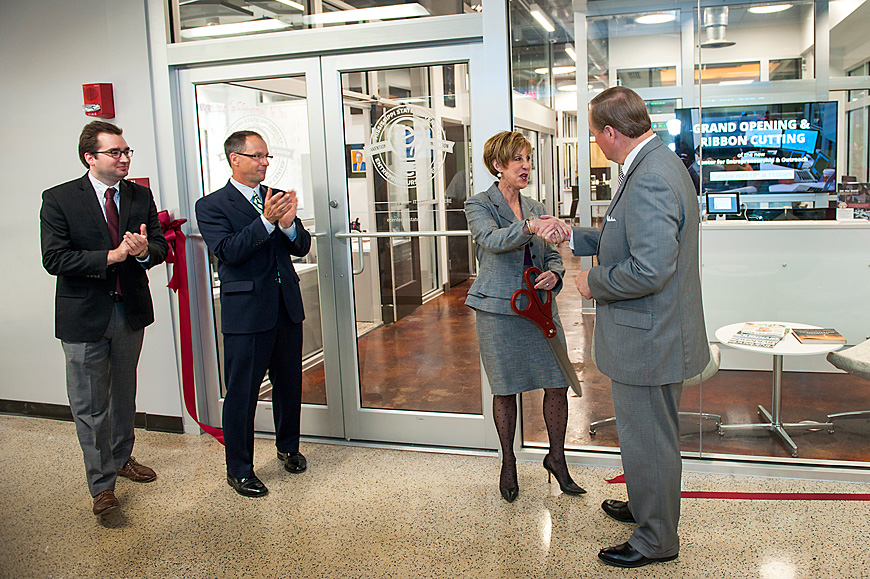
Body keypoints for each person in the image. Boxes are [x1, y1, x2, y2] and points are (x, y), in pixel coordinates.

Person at [561, 87, 709, 568]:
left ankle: (656, 539)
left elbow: (650, 269)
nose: (595, 146)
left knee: (650, 440)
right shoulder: (658, 163)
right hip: (657, 334)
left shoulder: (649, 178)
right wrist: (574, 234)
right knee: (645, 436)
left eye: (593, 137)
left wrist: (591, 282)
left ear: (610, 132)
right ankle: (648, 507)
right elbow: (626, 234)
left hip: (651, 339)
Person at [40, 121, 168, 517]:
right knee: (89, 404)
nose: (125, 158)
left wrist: (145, 251)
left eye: (127, 151)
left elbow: (160, 248)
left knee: (123, 395)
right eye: (116, 152)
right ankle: (101, 485)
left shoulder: (139, 195)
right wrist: (110, 257)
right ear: (90, 157)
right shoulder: (60, 199)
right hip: (84, 316)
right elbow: (54, 259)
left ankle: (121, 458)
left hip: (128, 312)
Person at [464, 131, 586, 503]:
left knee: (556, 382)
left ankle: (557, 459)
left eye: (528, 159)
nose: (526, 166)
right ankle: (508, 463)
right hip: (499, 309)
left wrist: (556, 273)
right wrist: (531, 227)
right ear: (498, 165)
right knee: (506, 388)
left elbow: (550, 254)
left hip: (540, 305)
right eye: (518, 159)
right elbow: (493, 240)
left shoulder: (534, 205)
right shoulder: (478, 204)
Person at [195, 130, 312, 498]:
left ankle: (287, 447)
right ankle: (239, 469)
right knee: (243, 393)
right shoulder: (212, 205)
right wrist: (265, 222)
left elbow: (301, 247)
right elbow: (229, 252)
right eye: (258, 156)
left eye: (267, 157)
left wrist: (289, 223)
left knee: (289, 384)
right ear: (235, 159)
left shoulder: (274, 198)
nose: (264, 163)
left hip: (285, 307)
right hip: (247, 312)